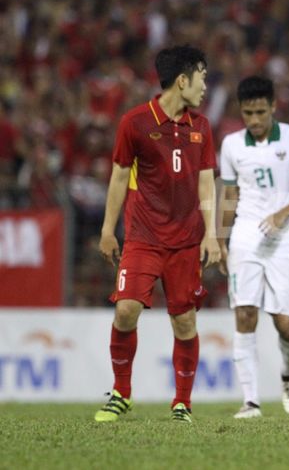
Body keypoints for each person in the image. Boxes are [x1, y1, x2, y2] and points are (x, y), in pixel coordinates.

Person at [94, 45, 220, 423]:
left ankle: (182, 401)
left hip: (185, 242)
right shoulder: (134, 123)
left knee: (184, 322)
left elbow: (207, 185)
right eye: (201, 77)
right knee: (126, 310)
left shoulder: (201, 127)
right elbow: (118, 177)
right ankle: (121, 392)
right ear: (182, 80)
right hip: (143, 237)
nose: (204, 87)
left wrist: (211, 234)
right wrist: (106, 229)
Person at [218, 76, 289, 419]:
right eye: (248, 113)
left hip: (285, 237)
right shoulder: (231, 145)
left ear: (274, 106)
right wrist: (219, 239)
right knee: (244, 313)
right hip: (245, 235)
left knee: (287, 325)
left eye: (261, 111)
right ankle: (251, 402)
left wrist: (283, 213)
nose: (255, 120)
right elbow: (229, 195)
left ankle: (288, 373)